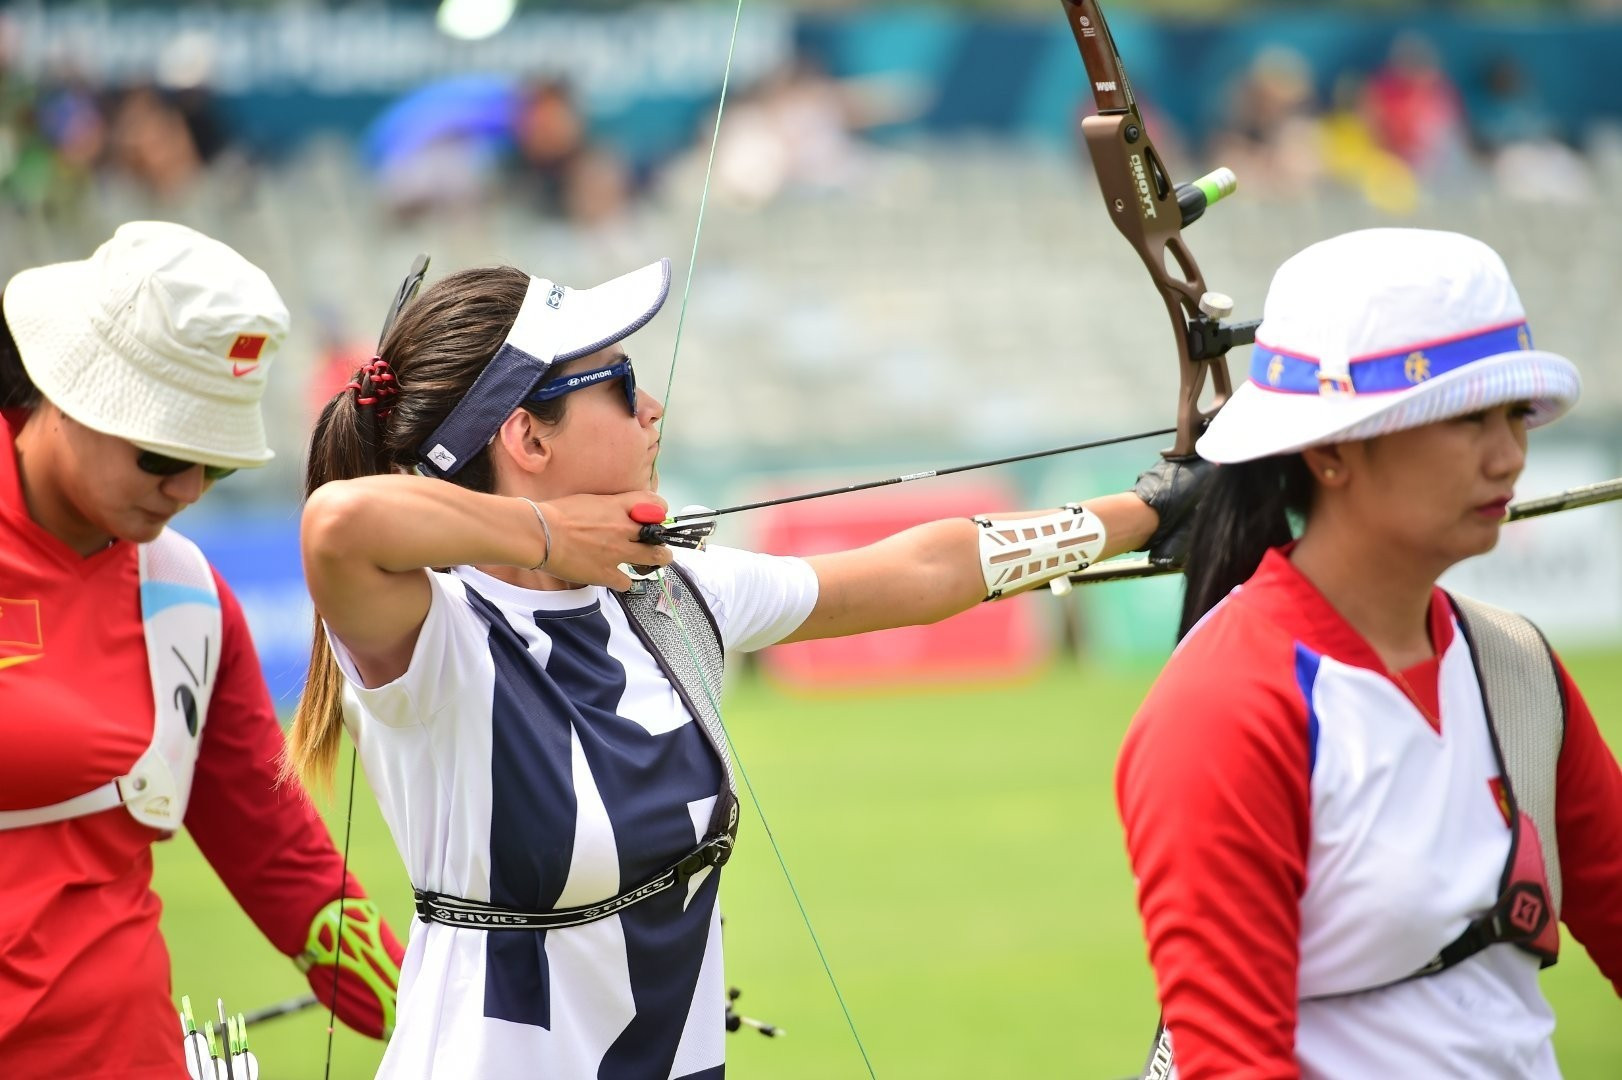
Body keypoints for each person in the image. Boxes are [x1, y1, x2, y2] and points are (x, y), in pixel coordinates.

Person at [283, 254, 1208, 1078]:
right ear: (529, 439)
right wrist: (551, 536)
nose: (653, 409)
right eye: (622, 384)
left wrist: (1148, 510)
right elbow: (337, 525)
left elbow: (922, 571)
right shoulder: (435, 635)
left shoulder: (667, 591)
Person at [1117, 228, 1622, 1078]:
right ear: (1330, 450)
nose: (1509, 456)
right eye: (1466, 418)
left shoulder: (1515, 667)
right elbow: (1232, 1062)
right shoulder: (1229, 705)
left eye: (1513, 415)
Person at [0, 221, 405, 1076]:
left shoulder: (183, 594)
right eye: (161, 455)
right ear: (69, 391)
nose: (186, 491)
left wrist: (456, 1018)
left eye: (212, 467)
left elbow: (279, 854)